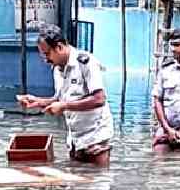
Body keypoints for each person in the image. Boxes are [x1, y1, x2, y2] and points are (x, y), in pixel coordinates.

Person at [16, 24, 114, 167]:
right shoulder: (57, 69)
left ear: (60, 47)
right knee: (76, 185)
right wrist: (38, 101)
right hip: (75, 139)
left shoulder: (86, 63)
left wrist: (64, 106)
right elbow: (60, 99)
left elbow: (99, 99)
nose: (46, 59)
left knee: (98, 183)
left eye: (47, 54)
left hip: (96, 137)